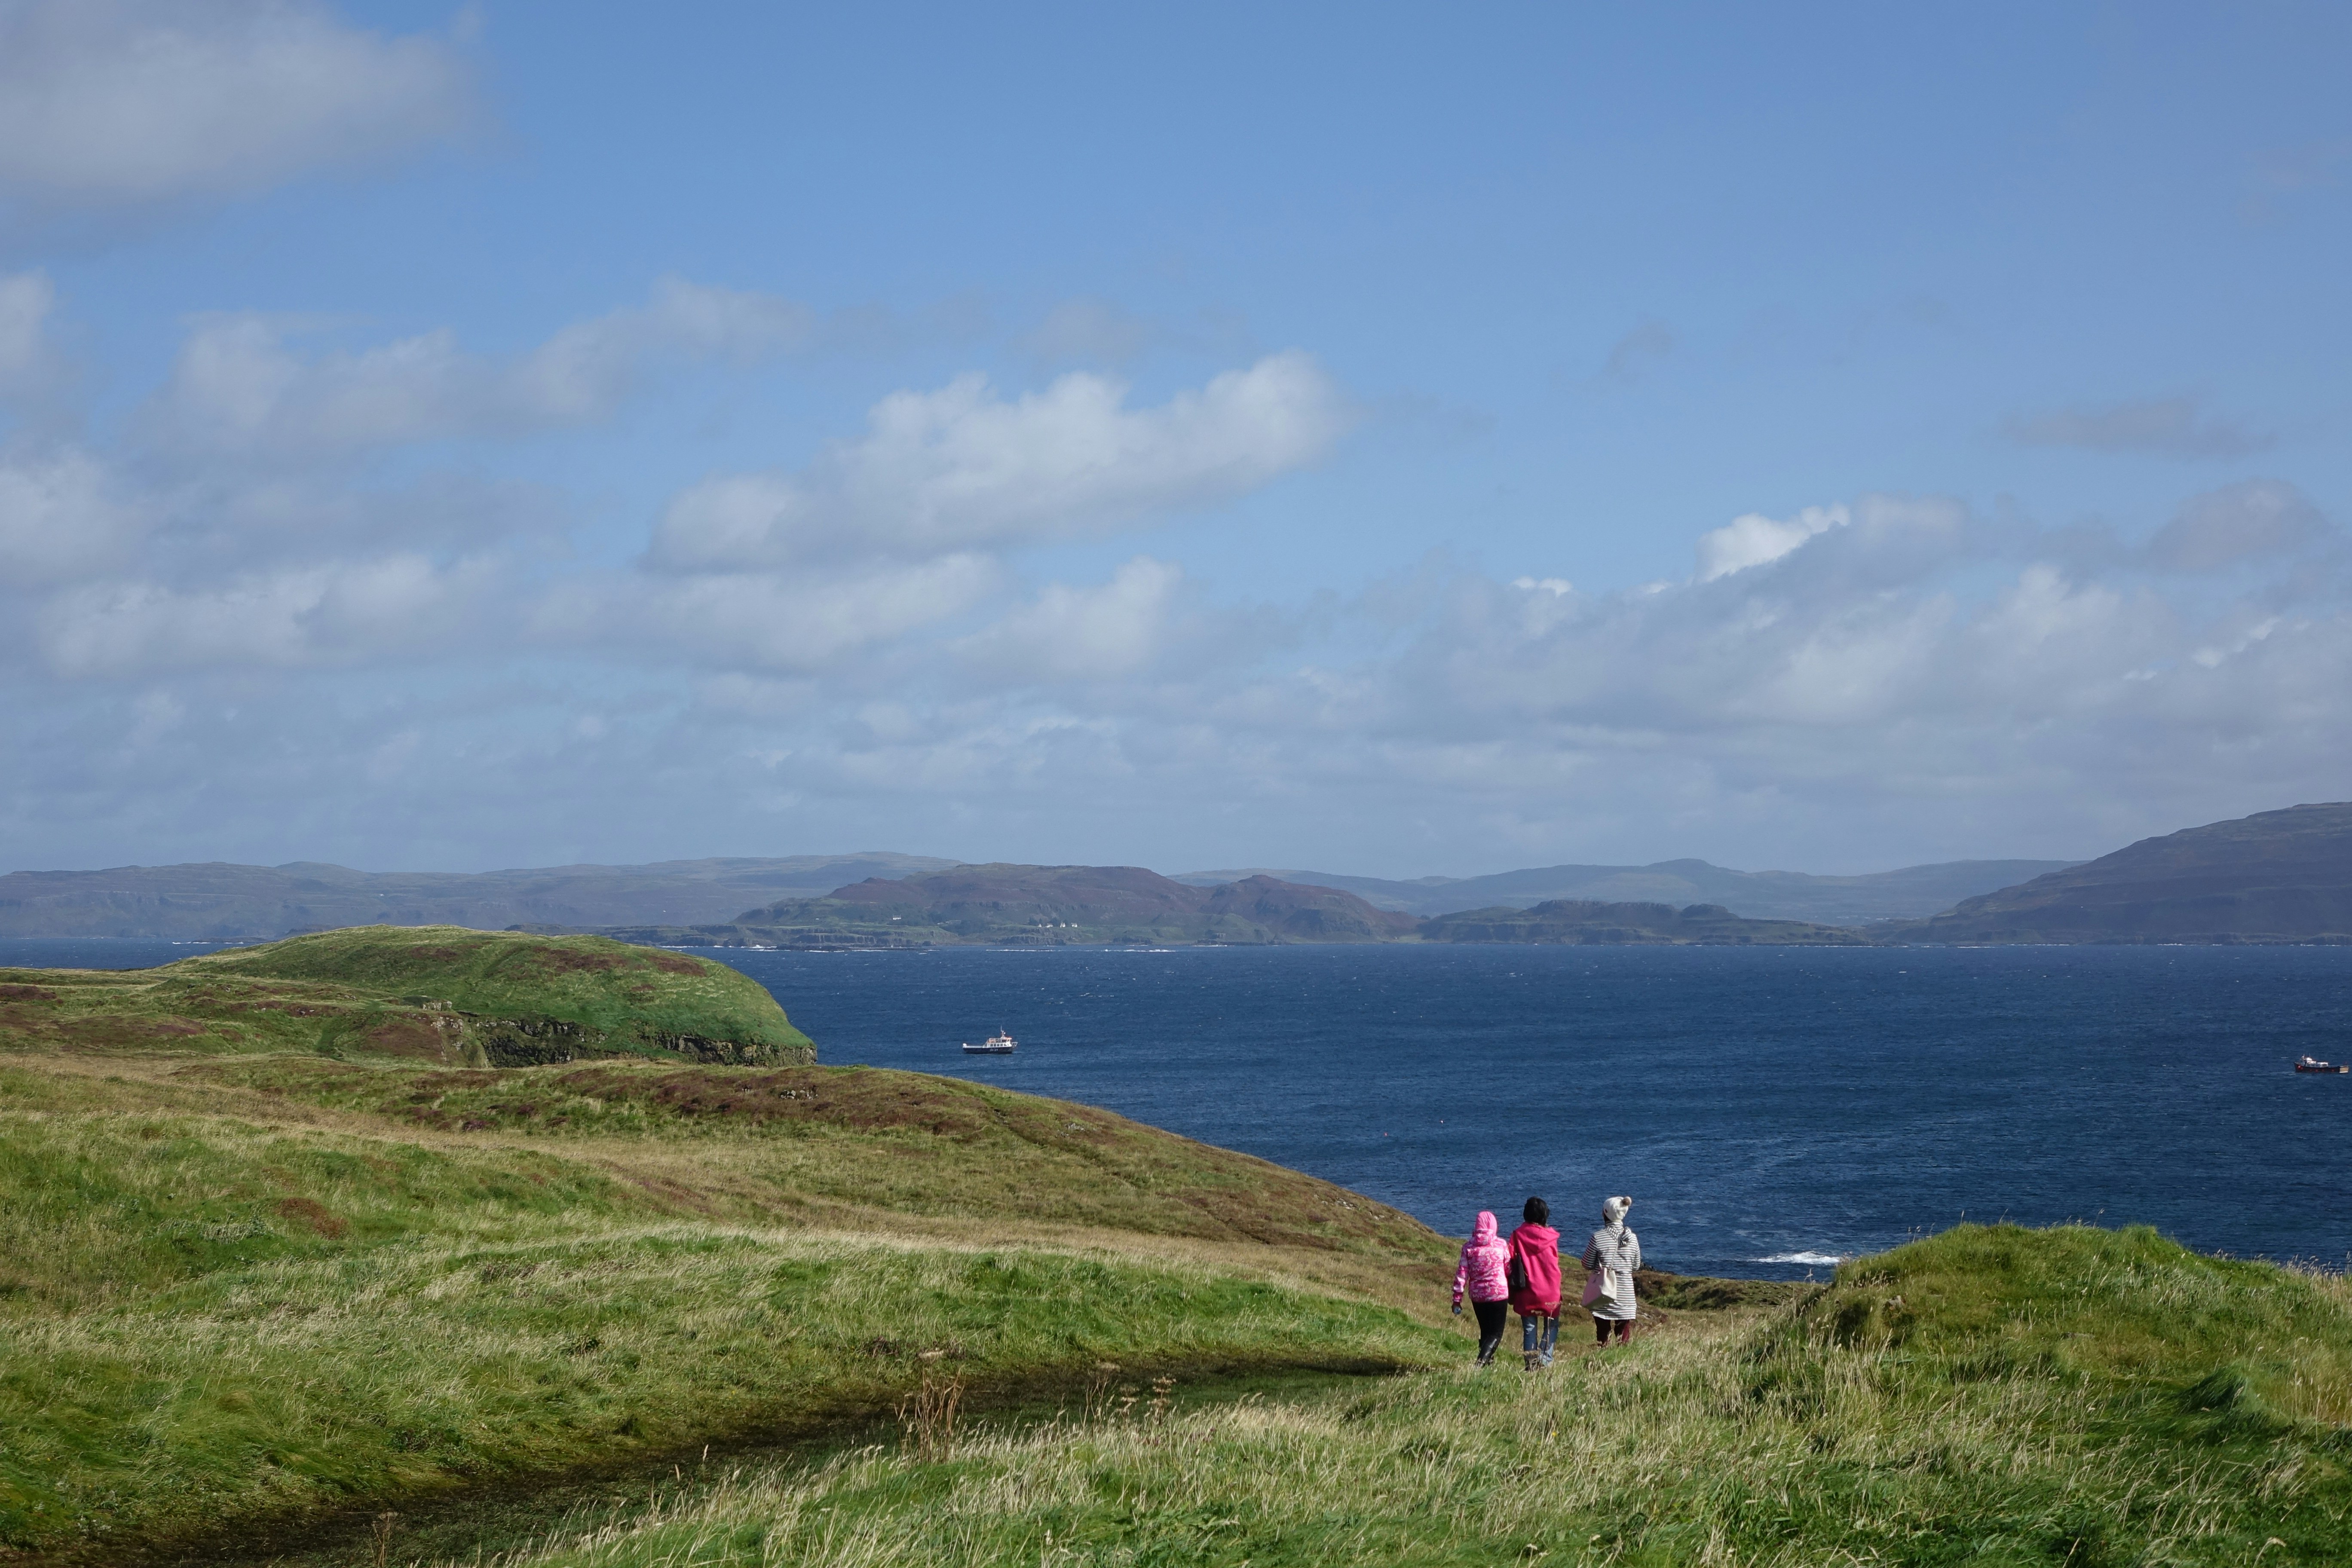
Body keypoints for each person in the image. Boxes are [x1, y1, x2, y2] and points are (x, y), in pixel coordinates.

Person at [1451, 1210, 1512, 1366]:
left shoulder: (1468, 1247)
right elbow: (1508, 1269)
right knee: (1496, 1334)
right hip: (1498, 1294)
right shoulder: (1501, 1244)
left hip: (1478, 1297)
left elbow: (1462, 1275)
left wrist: (1457, 1299)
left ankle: (1487, 1368)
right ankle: (1480, 1363)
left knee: (1486, 1332)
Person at [1507, 1196, 1562, 1369]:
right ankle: (1545, 1360)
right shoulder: (1551, 1237)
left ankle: (1531, 1365)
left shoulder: (1517, 1235)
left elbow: (1509, 1260)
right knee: (1551, 1325)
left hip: (1528, 1290)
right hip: (1551, 1288)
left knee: (1530, 1329)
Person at [1583, 1195, 1642, 1346]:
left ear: (1605, 1213)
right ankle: (1623, 1364)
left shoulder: (1598, 1237)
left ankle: (1603, 1361)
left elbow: (1587, 1263)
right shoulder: (1633, 1238)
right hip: (1626, 1295)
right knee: (1624, 1336)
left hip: (1604, 1294)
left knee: (1603, 1334)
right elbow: (1636, 1266)